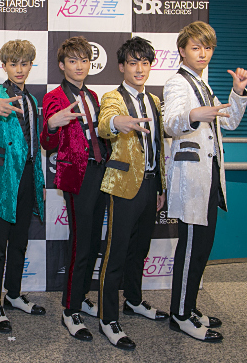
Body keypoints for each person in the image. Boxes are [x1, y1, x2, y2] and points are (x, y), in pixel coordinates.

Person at [164, 21, 247, 342]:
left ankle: (189, 306)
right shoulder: (177, 83)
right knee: (190, 249)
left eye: (208, 47)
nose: (203, 53)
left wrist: (237, 93)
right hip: (190, 179)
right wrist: (194, 115)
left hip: (210, 176)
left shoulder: (204, 84)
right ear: (182, 51)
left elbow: (230, 122)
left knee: (202, 248)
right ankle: (180, 315)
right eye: (196, 47)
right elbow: (170, 123)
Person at [96, 36, 167, 349]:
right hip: (124, 186)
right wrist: (117, 122)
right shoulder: (113, 97)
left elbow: (159, 147)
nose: (140, 69)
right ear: (121, 66)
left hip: (151, 186)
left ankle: (134, 301)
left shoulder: (154, 101)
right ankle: (107, 318)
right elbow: (104, 124)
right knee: (116, 253)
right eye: (133, 62)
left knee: (140, 250)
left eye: (145, 62)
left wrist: (161, 187)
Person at [40, 36, 109, 341]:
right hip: (78, 177)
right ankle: (70, 309)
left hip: (101, 172)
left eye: (84, 60)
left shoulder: (93, 95)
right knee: (80, 243)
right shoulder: (54, 97)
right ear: (61, 65)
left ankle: (80, 296)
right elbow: (47, 143)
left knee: (94, 241)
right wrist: (52, 124)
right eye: (72, 61)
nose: (79, 66)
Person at [0, 39, 46, 333]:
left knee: (20, 242)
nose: (19, 69)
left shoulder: (32, 100)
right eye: (13, 63)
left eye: (24, 63)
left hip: (28, 176)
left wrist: (39, 181)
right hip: (4, 179)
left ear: (30, 66)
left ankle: (13, 294)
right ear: (4, 65)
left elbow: (35, 145)